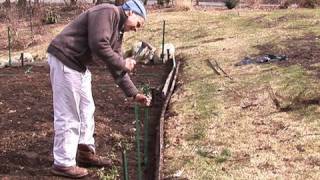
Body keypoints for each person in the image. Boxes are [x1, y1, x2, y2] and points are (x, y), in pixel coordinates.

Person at [47, 0, 149, 178]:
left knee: (87, 108)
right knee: (69, 113)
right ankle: (63, 163)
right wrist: (123, 62)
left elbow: (115, 64)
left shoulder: (117, 30)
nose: (136, 29)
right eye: (138, 24)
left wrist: (134, 93)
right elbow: (98, 44)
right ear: (131, 12)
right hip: (65, 58)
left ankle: (85, 151)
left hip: (78, 65)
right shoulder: (108, 11)